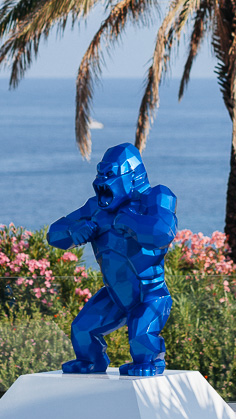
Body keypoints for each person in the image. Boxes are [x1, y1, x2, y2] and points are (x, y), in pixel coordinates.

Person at [48, 142, 177, 376]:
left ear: (132, 176)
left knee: (142, 336)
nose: (100, 181)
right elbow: (54, 234)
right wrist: (73, 232)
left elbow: (163, 232)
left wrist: (130, 221)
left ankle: (152, 362)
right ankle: (91, 362)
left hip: (150, 292)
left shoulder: (157, 196)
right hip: (114, 294)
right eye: (99, 174)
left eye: (109, 175)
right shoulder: (95, 208)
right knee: (82, 329)